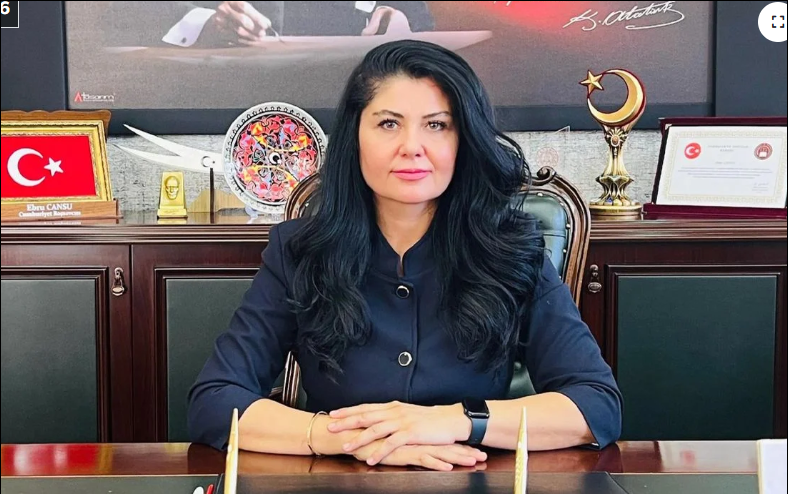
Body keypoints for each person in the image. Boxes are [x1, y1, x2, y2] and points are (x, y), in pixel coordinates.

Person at [187, 39, 623, 470]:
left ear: (463, 139)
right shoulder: (299, 251)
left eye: (436, 125)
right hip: (336, 493)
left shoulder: (512, 249)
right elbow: (215, 400)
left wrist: (453, 421)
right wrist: (350, 439)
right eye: (388, 124)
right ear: (355, 136)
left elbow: (595, 404)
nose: (412, 146)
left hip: (472, 490)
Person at [102, 2, 434, 48]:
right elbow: (126, 12)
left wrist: (400, 21)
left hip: (349, 106)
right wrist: (206, 22)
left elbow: (415, 16)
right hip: (219, 96)